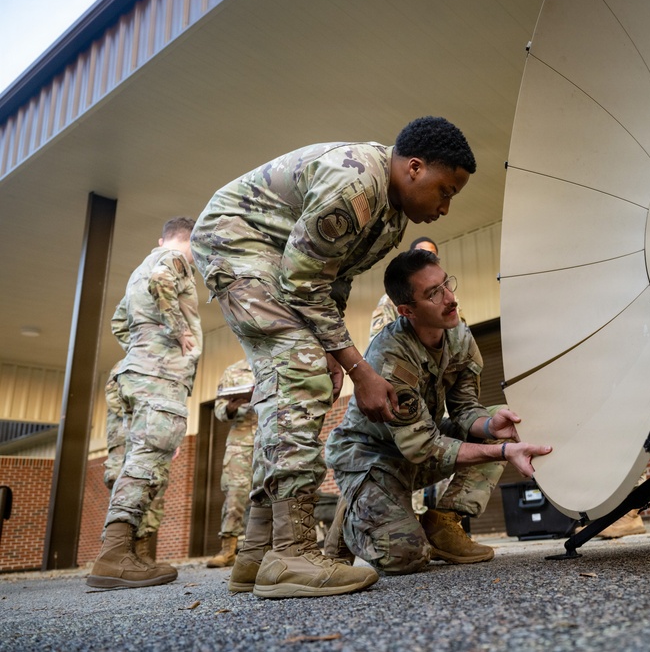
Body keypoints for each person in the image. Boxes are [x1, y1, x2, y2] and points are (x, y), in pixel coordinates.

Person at [190, 115, 476, 599]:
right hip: (237, 242)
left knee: (302, 374)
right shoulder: (354, 185)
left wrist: (332, 349)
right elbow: (303, 280)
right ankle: (293, 552)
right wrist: (357, 368)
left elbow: (333, 278)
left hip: (282, 261)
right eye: (445, 191)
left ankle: (256, 554)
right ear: (414, 168)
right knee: (299, 369)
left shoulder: (392, 216)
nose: (445, 207)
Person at [324, 249, 552, 575]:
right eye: (434, 293)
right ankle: (353, 510)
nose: (450, 298)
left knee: (503, 416)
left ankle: (443, 523)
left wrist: (490, 427)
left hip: (417, 445)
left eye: (446, 284)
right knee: (407, 556)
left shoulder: (459, 336)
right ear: (407, 311)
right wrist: (503, 452)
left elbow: (465, 409)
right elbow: (424, 447)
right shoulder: (391, 358)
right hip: (371, 456)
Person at [87, 217, 202, 589]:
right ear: (193, 241)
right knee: (147, 459)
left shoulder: (140, 268)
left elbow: (120, 321)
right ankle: (114, 556)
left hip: (136, 372)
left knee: (135, 459)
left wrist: (142, 349)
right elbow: (162, 282)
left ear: (161, 238)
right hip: (159, 376)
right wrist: (179, 332)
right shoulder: (175, 260)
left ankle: (126, 552)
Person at [369, 236, 454, 516]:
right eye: (421, 253)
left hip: (435, 392)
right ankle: (408, 515)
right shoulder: (391, 303)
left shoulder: (446, 299)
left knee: (444, 449)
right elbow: (381, 348)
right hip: (405, 387)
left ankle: (447, 520)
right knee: (409, 450)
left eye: (433, 255)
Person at [102, 360, 168, 564]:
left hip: (152, 437)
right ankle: (116, 550)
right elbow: (115, 400)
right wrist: (146, 417)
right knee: (122, 486)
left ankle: (142, 550)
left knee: (154, 484)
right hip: (125, 438)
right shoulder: (125, 364)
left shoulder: (162, 366)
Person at [205, 359, 256, 568]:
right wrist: (230, 408)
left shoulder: (278, 362)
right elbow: (219, 409)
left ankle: (269, 547)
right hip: (240, 441)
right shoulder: (233, 371)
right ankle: (228, 549)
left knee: (276, 491)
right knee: (236, 492)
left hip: (274, 437)